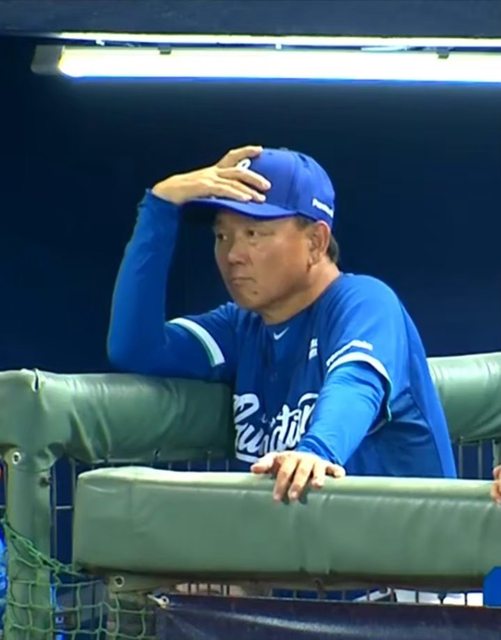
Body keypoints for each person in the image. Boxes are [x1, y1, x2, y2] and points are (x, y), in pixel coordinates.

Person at [108, 144, 457, 502]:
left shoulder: (364, 302)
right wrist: (160, 206)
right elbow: (136, 348)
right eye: (222, 236)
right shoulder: (240, 327)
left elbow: (357, 381)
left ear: (316, 242)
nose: (233, 255)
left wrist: (317, 450)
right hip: (315, 537)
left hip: (415, 538)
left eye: (253, 234)